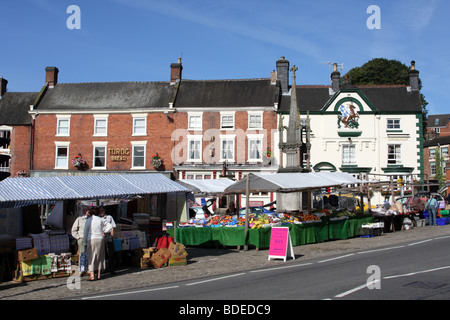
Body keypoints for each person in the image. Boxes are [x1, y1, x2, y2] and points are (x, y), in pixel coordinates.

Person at [84, 206, 112, 281]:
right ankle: (99, 274)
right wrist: (104, 231)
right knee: (100, 256)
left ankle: (92, 275)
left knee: (92, 256)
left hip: (91, 238)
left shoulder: (89, 220)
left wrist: (85, 243)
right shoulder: (101, 219)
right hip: (100, 238)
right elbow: (110, 226)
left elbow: (85, 232)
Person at [71, 209, 91, 274]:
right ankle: (81, 269)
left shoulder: (90, 219)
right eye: (88, 211)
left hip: (89, 239)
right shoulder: (79, 219)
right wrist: (78, 237)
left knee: (89, 254)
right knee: (82, 254)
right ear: (85, 211)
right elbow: (73, 230)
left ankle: (88, 269)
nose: (89, 212)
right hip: (81, 238)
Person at [99, 205, 117, 275]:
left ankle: (111, 269)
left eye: (102, 210)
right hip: (101, 235)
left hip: (108, 235)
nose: (101, 212)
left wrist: (112, 236)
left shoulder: (109, 217)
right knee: (103, 253)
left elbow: (113, 227)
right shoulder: (98, 218)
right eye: (100, 211)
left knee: (110, 253)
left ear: (105, 210)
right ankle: (103, 268)